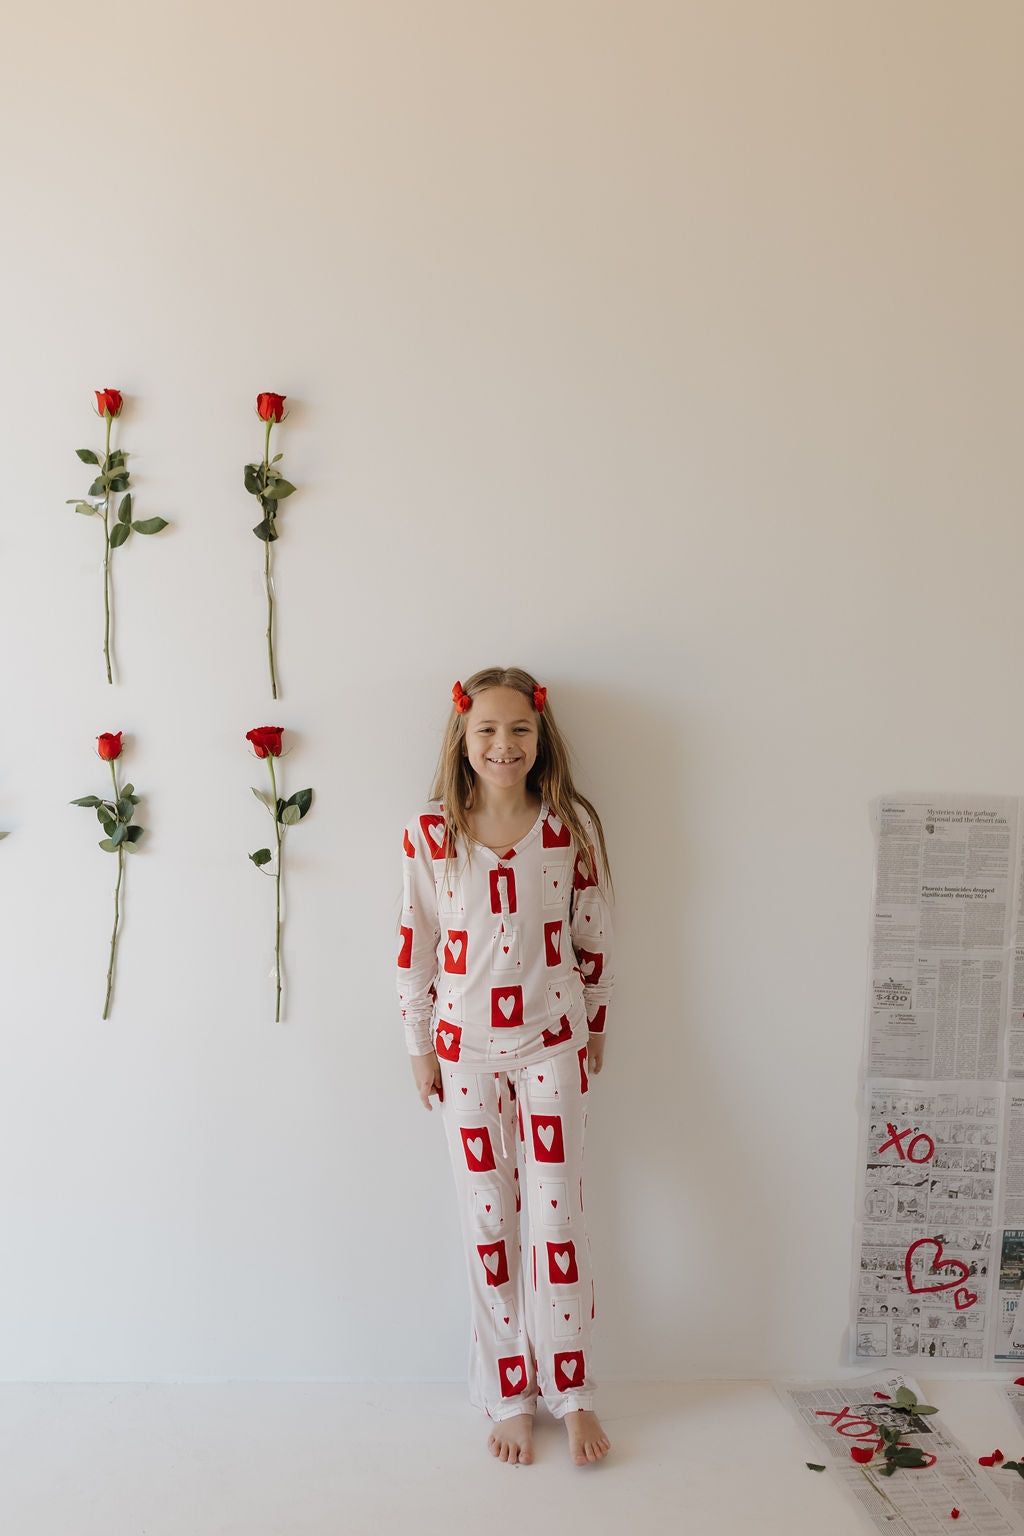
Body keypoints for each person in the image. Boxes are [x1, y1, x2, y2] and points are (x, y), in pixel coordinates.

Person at [397, 666, 614, 1467]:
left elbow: (594, 934)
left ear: (539, 734)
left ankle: (575, 1391)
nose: (502, 744)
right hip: (464, 1055)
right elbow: (413, 944)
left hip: (552, 1044)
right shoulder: (430, 835)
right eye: (486, 729)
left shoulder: (567, 831)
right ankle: (509, 1394)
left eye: (518, 729)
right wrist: (420, 1045)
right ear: (462, 735)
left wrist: (596, 1023)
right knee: (490, 1225)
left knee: (558, 1220)